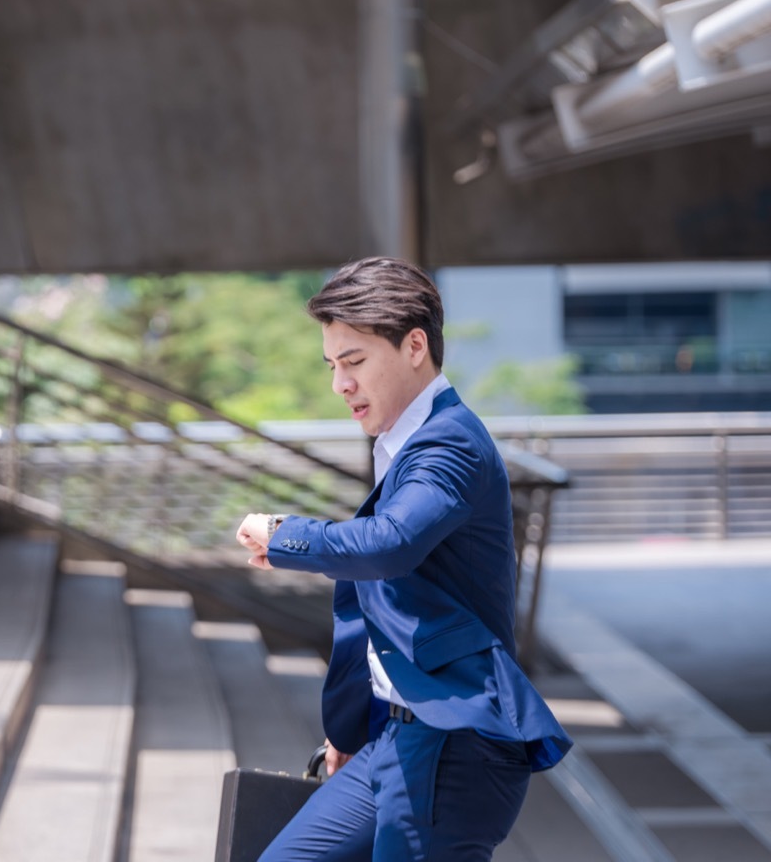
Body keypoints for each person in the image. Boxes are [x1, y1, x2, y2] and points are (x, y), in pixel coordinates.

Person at [236, 257, 571, 861]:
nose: (340, 384)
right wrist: (353, 729)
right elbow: (395, 602)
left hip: (452, 746)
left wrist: (285, 533)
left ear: (415, 346)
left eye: (355, 362)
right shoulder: (401, 442)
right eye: (333, 366)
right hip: (396, 735)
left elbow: (389, 546)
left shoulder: (450, 445)